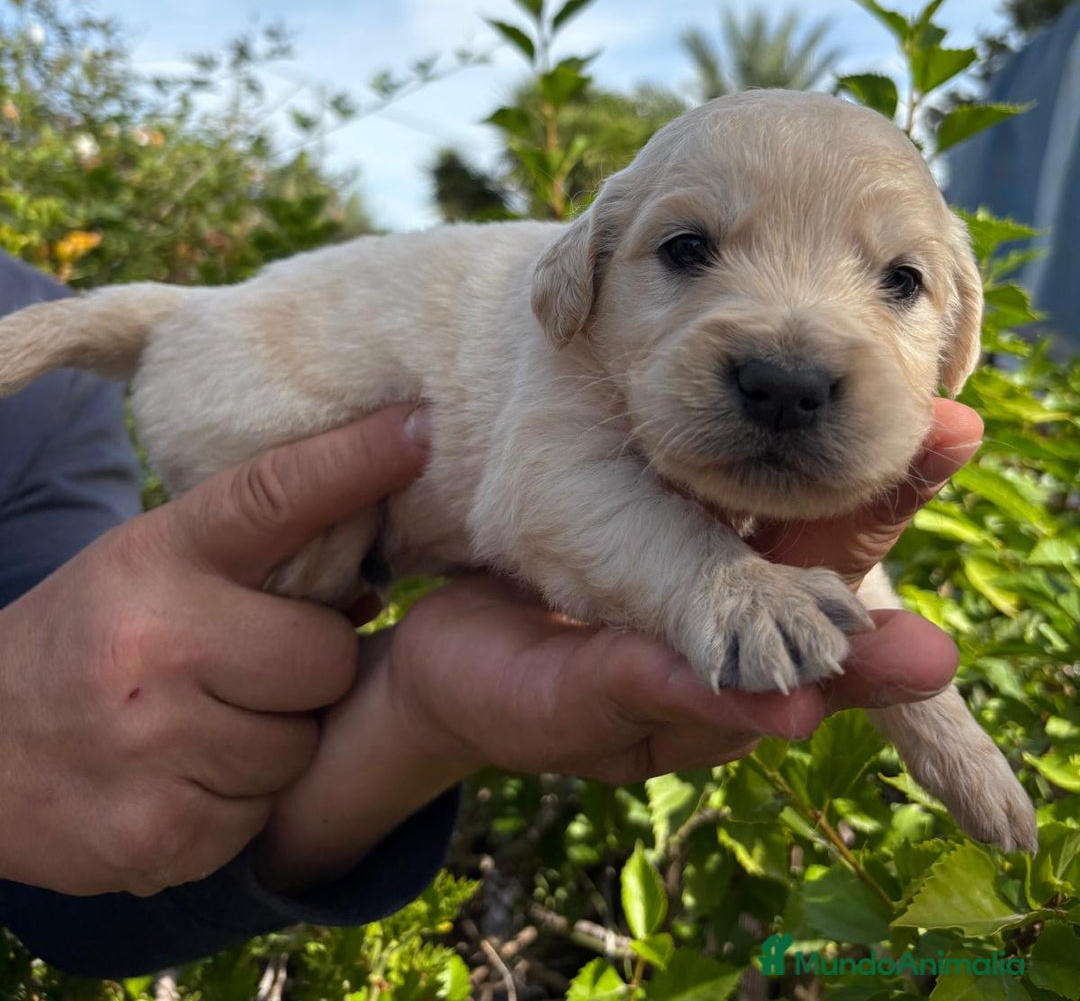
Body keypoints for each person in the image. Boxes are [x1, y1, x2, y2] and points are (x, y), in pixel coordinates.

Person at [0, 251, 977, 978]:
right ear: (586, 267)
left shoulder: (44, 421)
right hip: (244, 370)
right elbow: (556, 496)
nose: (791, 361)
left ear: (959, 329)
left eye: (897, 279)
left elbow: (100, 823)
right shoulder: (572, 337)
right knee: (310, 570)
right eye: (687, 254)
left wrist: (414, 710)